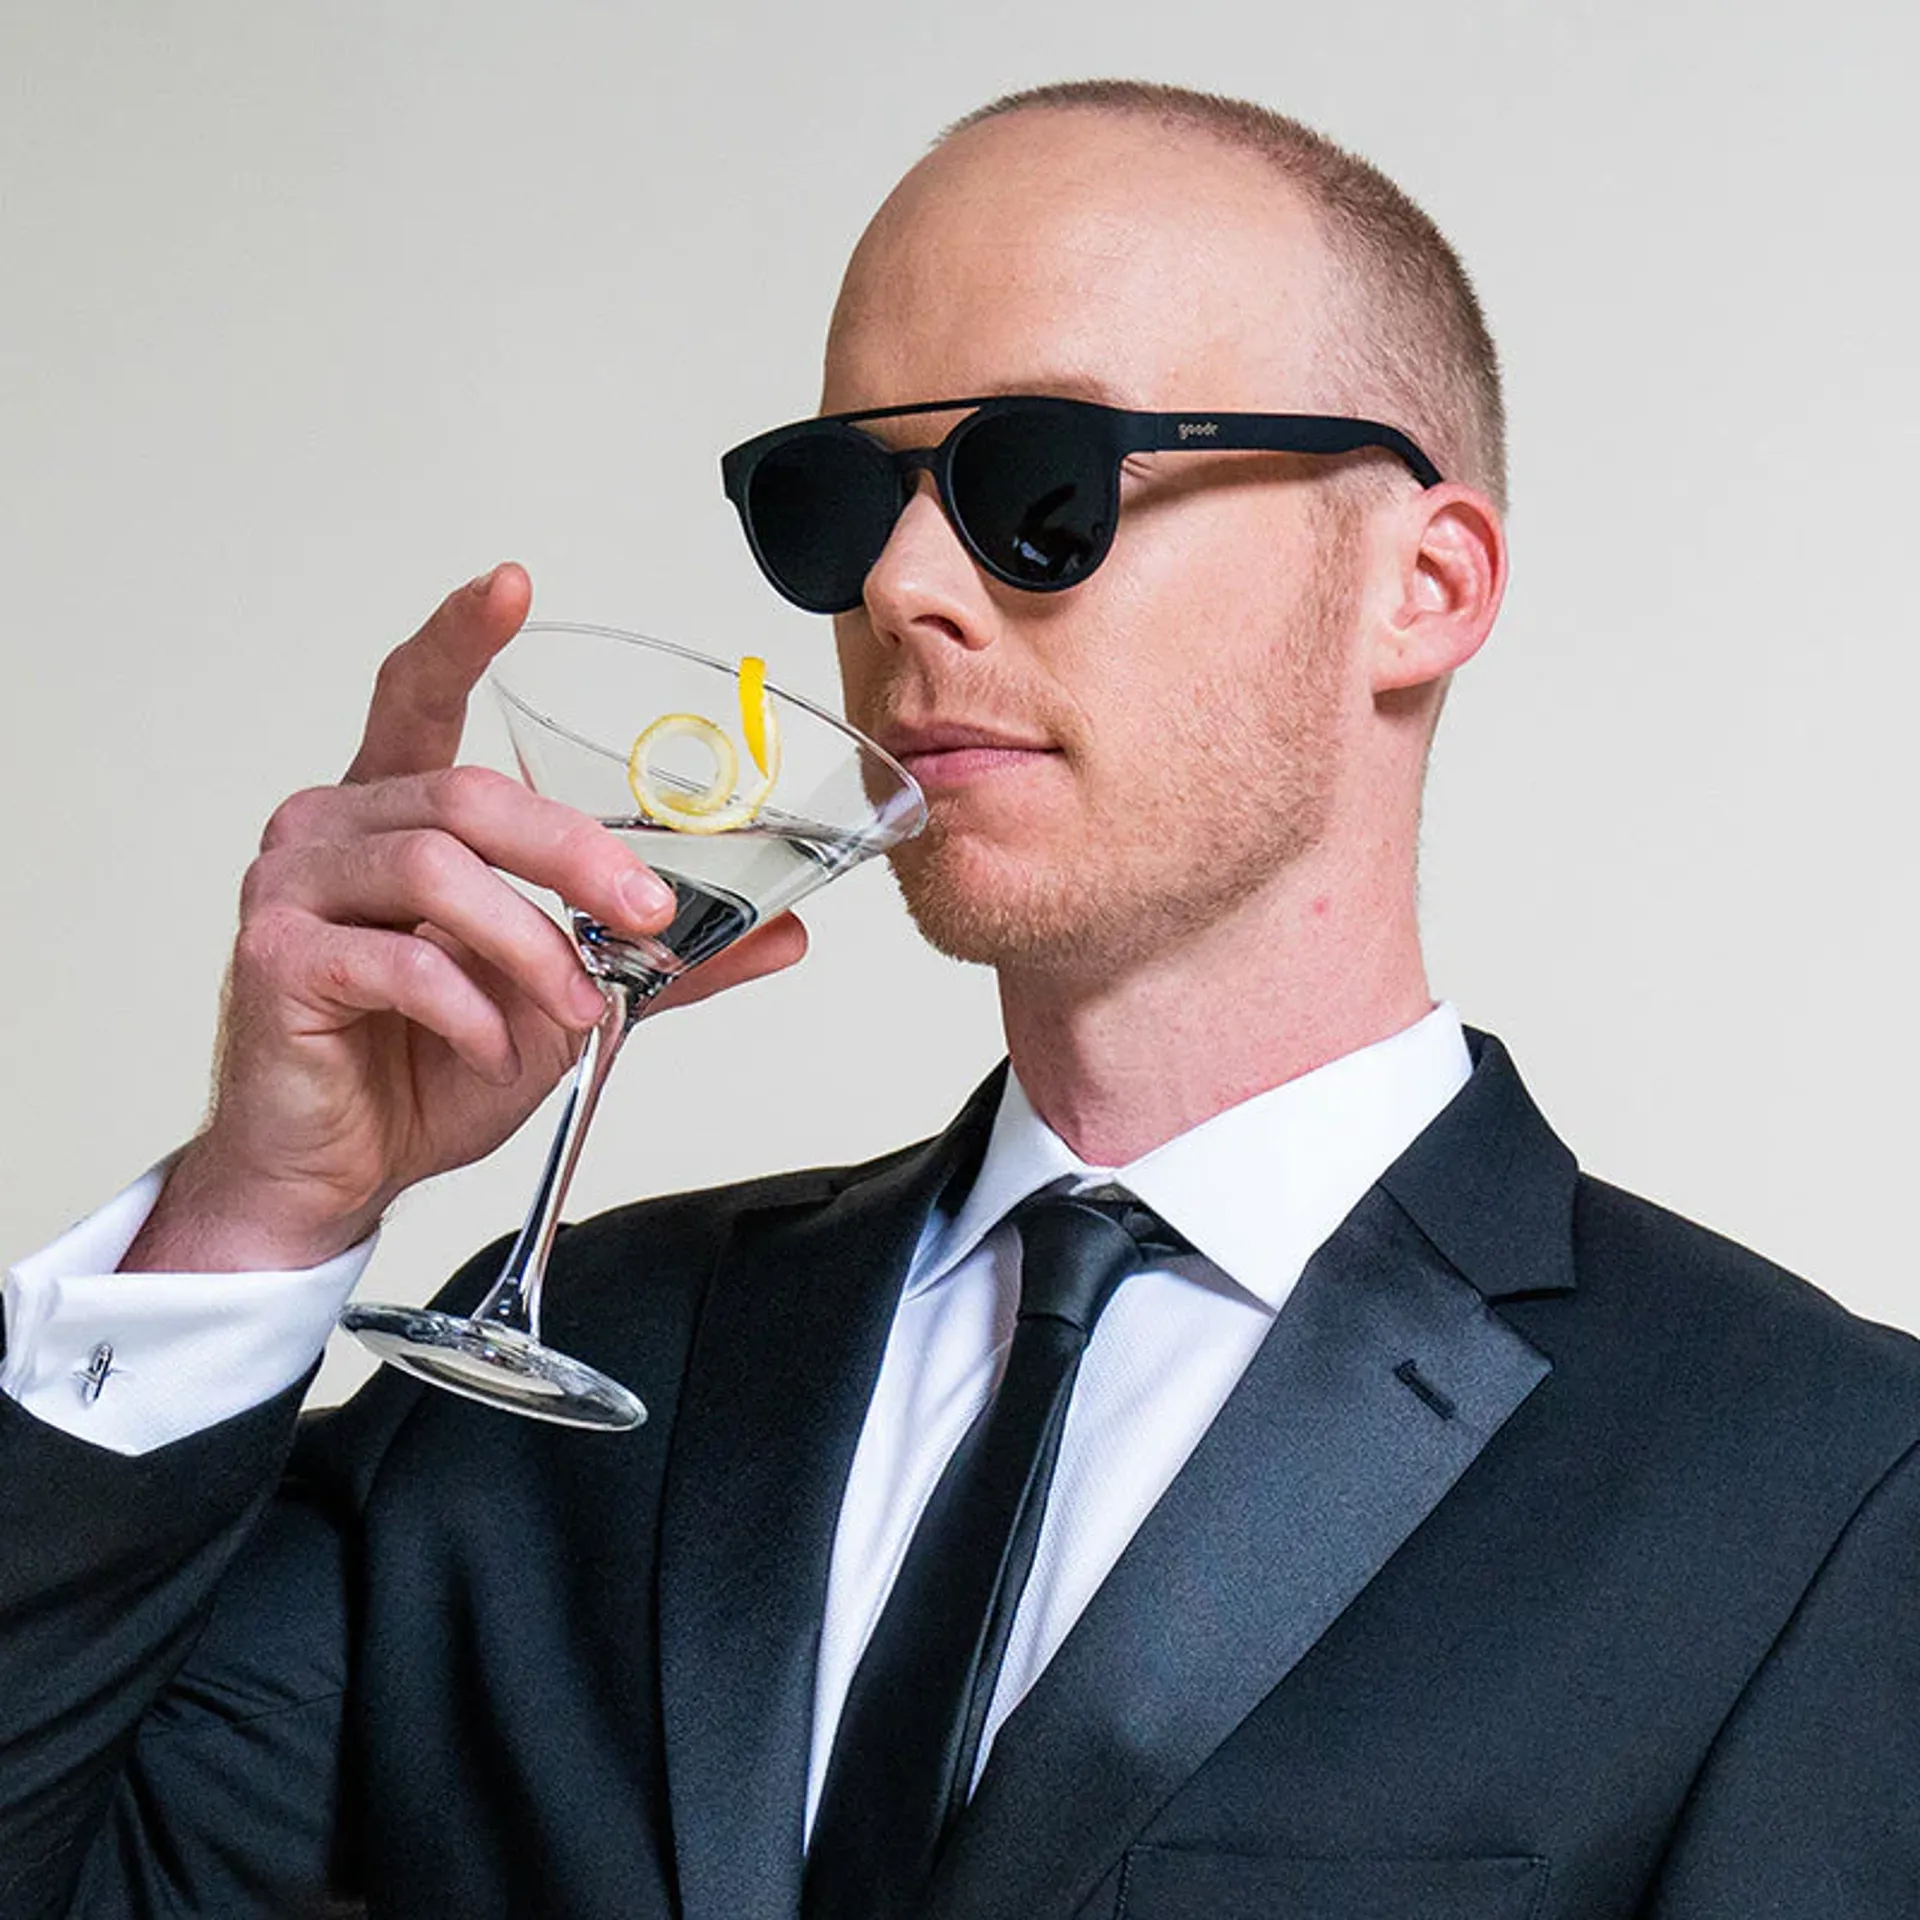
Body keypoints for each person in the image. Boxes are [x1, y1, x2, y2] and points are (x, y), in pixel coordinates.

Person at [3, 79, 1917, 1920]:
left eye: (1039, 484)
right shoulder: (571, 1367)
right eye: (840, 501)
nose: (904, 586)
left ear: (1422, 584)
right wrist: (257, 1217)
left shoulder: (1816, 1491)